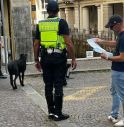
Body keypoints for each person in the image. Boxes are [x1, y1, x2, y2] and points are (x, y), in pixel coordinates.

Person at [33, 0, 77, 121]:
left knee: (48, 85)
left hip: (45, 58)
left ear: (47, 11)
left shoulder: (40, 24)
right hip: (58, 58)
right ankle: (58, 113)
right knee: (58, 84)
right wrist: (73, 58)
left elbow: (36, 44)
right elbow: (68, 43)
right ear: (58, 11)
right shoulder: (61, 22)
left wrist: (36, 60)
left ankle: (51, 112)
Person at [95, 15, 124, 126]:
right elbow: (116, 44)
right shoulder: (121, 36)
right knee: (114, 92)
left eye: (112, 27)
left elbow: (122, 58)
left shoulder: (123, 37)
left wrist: (107, 57)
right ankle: (114, 114)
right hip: (117, 70)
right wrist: (101, 41)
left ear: (118, 24)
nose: (111, 29)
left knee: (122, 94)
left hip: (120, 71)